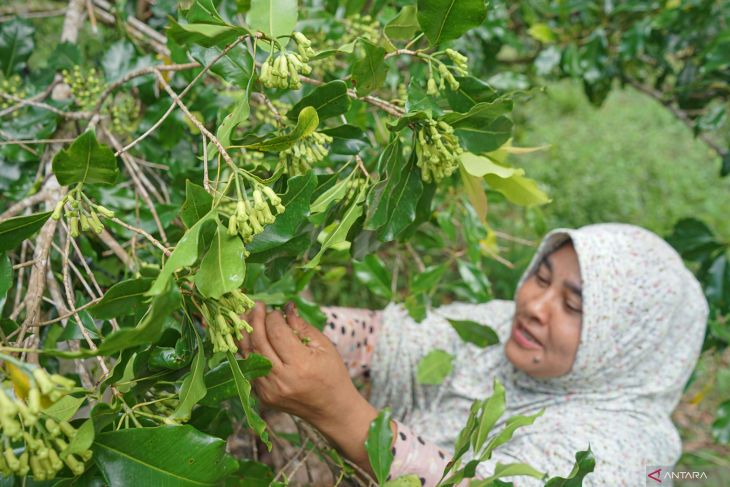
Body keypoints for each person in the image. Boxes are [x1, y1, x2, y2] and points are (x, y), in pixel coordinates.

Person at [238, 223, 708, 486]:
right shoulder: (505, 329)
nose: (535, 308)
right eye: (541, 278)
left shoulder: (626, 459)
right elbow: (388, 339)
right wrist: (265, 321)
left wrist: (341, 412)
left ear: (626, 346)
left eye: (573, 306)